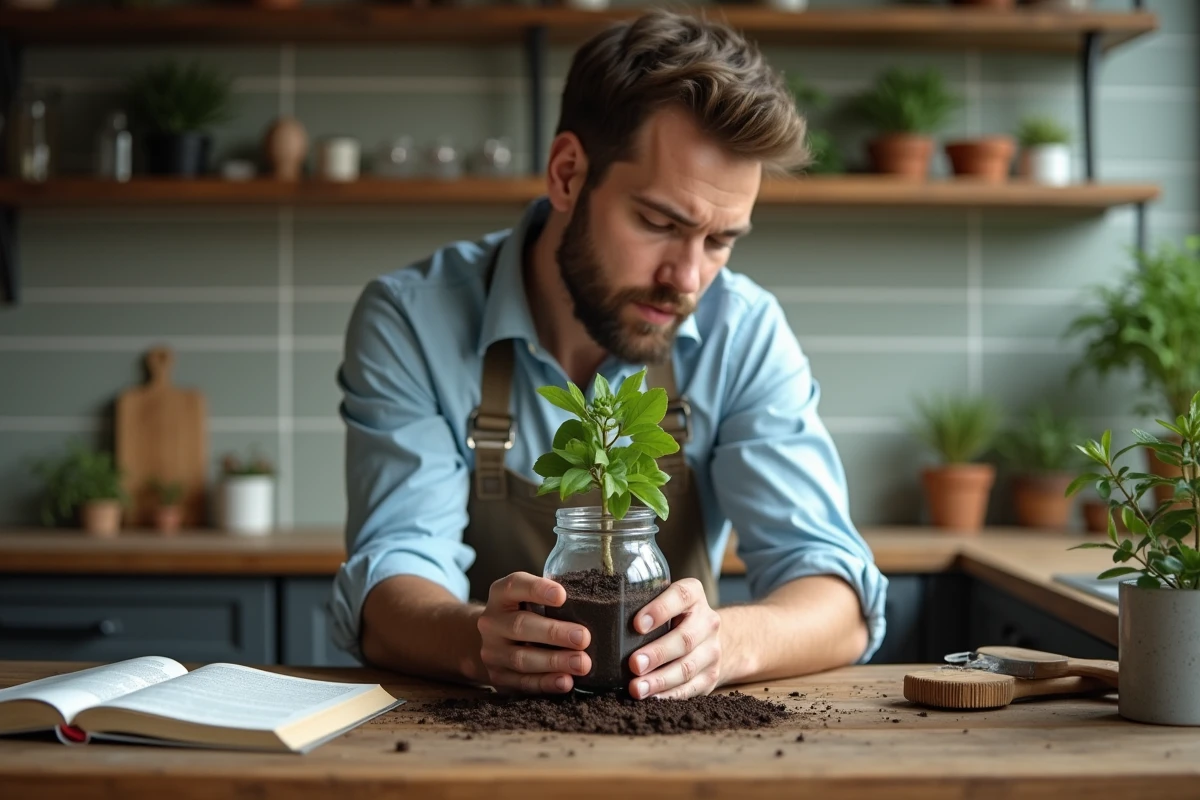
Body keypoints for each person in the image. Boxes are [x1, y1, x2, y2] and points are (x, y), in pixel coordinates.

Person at [330, 9, 888, 700]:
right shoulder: (411, 320)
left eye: (720, 241)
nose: (687, 279)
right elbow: (390, 584)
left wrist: (723, 646)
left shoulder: (742, 331)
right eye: (660, 223)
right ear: (567, 174)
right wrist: (480, 642)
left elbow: (840, 600)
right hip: (466, 732)